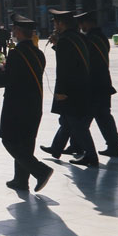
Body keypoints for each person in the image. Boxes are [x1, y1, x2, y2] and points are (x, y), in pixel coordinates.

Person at [0, 14, 53, 192]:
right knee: (26, 142)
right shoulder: (38, 53)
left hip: (17, 106)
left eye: (14, 29)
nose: (12, 32)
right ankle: (20, 180)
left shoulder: (18, 53)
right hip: (35, 104)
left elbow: (10, 79)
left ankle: (40, 170)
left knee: (9, 140)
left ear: (18, 31)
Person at [39, 9, 99, 167]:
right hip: (83, 85)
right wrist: (57, 44)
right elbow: (74, 59)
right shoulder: (79, 37)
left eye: (55, 23)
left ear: (61, 23)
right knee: (66, 121)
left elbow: (65, 68)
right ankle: (56, 148)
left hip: (71, 89)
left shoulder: (66, 40)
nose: (54, 26)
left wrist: (60, 91)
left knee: (76, 123)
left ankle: (91, 156)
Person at [77, 11, 118, 157]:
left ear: (89, 23)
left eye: (82, 23)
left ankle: (86, 153)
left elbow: (83, 60)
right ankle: (114, 146)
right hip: (103, 83)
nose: (81, 26)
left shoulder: (91, 39)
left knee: (82, 122)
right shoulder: (100, 37)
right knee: (104, 117)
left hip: (95, 85)